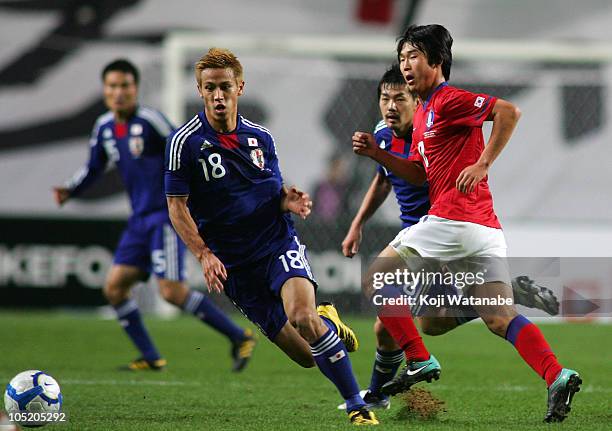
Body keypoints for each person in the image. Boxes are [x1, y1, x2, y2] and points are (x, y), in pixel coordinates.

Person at [352, 25, 581, 423]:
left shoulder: (447, 100)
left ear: (437, 61)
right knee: (495, 316)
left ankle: (419, 360)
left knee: (376, 279)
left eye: (414, 56)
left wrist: (483, 162)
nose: (406, 65)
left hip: (452, 218)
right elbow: (421, 176)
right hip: (482, 227)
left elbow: (509, 111)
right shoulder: (423, 112)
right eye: (403, 57)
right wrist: (379, 154)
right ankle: (557, 374)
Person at [164, 47, 378, 425]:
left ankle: (357, 407)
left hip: (276, 244)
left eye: (225, 87)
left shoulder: (261, 138)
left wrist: (287, 202)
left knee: (301, 318)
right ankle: (328, 321)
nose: (218, 95)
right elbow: (177, 207)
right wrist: (203, 254)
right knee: (309, 356)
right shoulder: (185, 143)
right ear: (199, 91)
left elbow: (271, 192)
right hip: (234, 268)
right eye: (210, 88)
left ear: (240, 87)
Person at [54, 59, 256, 372]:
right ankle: (150, 356)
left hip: (165, 218)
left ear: (135, 89)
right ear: (104, 91)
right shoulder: (105, 127)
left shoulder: (151, 121)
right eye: (112, 86)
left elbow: (185, 146)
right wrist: (69, 190)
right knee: (114, 288)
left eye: (125, 86)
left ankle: (239, 336)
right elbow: (94, 167)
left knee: (171, 292)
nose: (118, 92)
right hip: (138, 222)